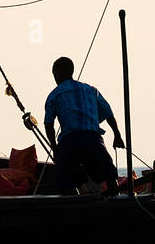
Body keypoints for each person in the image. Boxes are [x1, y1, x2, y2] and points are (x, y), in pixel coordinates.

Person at [44, 57, 124, 197]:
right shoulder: (91, 90)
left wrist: (55, 147)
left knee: (66, 178)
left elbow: (48, 123)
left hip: (70, 140)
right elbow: (108, 113)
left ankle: (75, 200)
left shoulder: (54, 95)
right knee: (109, 173)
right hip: (93, 138)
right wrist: (117, 136)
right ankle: (114, 195)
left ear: (57, 74)